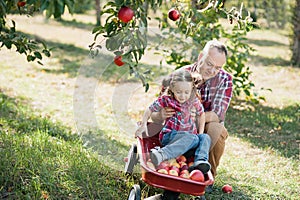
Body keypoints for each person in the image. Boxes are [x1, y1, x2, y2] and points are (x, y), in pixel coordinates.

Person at [151, 39, 232, 193]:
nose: (212, 70)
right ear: (201, 56)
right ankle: (169, 159)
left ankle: (204, 174)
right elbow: (155, 114)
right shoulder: (179, 76)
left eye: (218, 67)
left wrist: (196, 116)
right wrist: (160, 114)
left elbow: (218, 115)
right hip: (176, 132)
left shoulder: (225, 79)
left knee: (219, 129)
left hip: (201, 131)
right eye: (209, 64)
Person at [135, 69, 212, 174]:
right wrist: (144, 124)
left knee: (205, 137)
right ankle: (162, 154)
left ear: (192, 89)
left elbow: (201, 113)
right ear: (172, 89)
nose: (183, 96)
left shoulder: (193, 100)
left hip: (190, 141)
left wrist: (201, 133)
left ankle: (200, 162)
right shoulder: (167, 100)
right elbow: (150, 109)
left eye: (186, 92)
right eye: (179, 92)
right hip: (170, 137)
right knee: (192, 137)